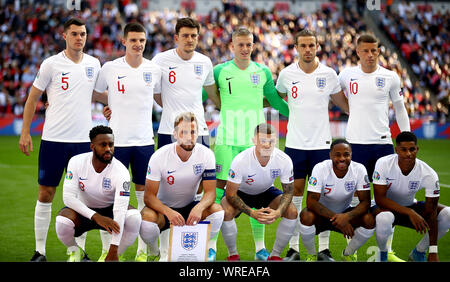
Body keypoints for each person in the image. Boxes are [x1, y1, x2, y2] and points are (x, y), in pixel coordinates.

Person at [18, 18, 102, 262]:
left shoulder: (94, 64)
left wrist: (109, 104)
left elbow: (95, 93)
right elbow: (33, 97)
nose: (79, 38)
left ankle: (77, 252)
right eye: (74, 33)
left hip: (82, 143)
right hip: (54, 139)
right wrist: (25, 132)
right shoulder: (51, 64)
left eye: (83, 34)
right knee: (46, 193)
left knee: (81, 196)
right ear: (64, 35)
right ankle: (40, 251)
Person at [211, 27, 289, 261]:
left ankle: (260, 249)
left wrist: (298, 112)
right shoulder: (219, 71)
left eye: (249, 44)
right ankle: (211, 246)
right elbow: (203, 94)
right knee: (218, 194)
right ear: (232, 46)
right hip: (226, 140)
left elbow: (275, 99)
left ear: (253, 46)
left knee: (261, 192)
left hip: (255, 143)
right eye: (240, 44)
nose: (245, 49)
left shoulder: (262, 71)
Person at [335, 33, 411, 262]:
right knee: (354, 199)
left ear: (379, 51)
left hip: (383, 145)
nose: (370, 55)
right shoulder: (346, 75)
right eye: (365, 51)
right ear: (357, 52)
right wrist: (350, 110)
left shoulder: (390, 77)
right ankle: (351, 251)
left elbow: (400, 108)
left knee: (388, 199)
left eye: (374, 50)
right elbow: (332, 95)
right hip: (355, 145)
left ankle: (386, 252)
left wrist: (406, 138)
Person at [275, 29, 349, 261]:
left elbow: (345, 106)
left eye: (311, 45)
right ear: (296, 48)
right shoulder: (286, 74)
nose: (307, 49)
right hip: (295, 144)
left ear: (317, 47)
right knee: (294, 195)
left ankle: (323, 249)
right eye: (303, 45)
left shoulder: (329, 74)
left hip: (321, 145)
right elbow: (275, 98)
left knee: (322, 197)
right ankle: (294, 248)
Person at [94, 22, 161, 261]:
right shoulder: (110, 68)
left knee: (145, 199)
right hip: (116, 143)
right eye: (133, 40)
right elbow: (94, 91)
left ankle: (142, 252)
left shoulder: (154, 69)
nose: (138, 44)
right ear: (124, 41)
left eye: (141, 40)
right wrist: (108, 102)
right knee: (111, 200)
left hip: (143, 142)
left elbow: (161, 97)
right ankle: (108, 251)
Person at [139, 112, 224, 261]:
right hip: (163, 210)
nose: (189, 137)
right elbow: (149, 197)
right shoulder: (159, 157)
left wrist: (199, 207)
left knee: (217, 212)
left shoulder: (206, 154)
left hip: (190, 207)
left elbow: (210, 193)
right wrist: (168, 212)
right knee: (146, 221)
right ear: (175, 134)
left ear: (198, 133)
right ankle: (154, 251)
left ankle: (205, 248)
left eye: (192, 132)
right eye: (183, 132)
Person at [55, 125, 141, 262]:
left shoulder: (121, 171)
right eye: (103, 145)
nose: (108, 149)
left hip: (111, 210)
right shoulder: (76, 162)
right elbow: (68, 198)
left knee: (134, 218)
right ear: (92, 146)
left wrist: (114, 249)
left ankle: (114, 255)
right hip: (84, 210)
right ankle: (76, 252)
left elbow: (119, 209)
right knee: (62, 221)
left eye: (111, 145)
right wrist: (96, 216)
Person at [220, 123, 297, 261]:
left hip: (265, 190)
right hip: (240, 192)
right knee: (225, 211)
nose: (267, 145)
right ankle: (233, 254)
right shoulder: (240, 160)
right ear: (254, 140)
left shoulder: (284, 160)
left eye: (271, 141)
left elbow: (288, 191)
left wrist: (279, 212)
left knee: (291, 211)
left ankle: (275, 255)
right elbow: (231, 194)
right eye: (263, 141)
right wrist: (252, 213)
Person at [373, 131, 450, 262]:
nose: (408, 153)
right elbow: (380, 199)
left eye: (412, 149)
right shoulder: (383, 163)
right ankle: (383, 254)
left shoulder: (428, 174)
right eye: (403, 150)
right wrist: (409, 212)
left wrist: (433, 250)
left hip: (410, 206)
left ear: (417, 149)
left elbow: (431, 211)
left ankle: (419, 252)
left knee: (448, 214)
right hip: (383, 208)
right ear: (396, 150)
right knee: (384, 218)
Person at [299, 139, 375, 261]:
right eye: (337, 155)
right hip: (321, 214)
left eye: (346, 154)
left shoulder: (359, 169)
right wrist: (339, 219)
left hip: (346, 212)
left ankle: (349, 253)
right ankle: (312, 255)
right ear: (330, 155)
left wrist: (347, 217)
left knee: (369, 220)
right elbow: (311, 201)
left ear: (351, 155)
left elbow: (365, 202)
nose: (342, 158)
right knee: (306, 216)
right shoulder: (320, 168)